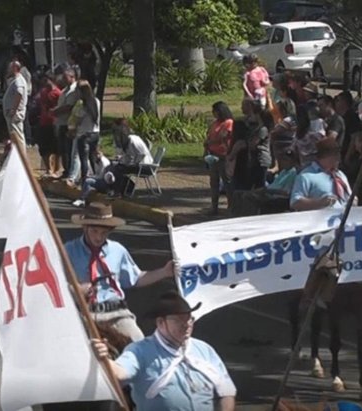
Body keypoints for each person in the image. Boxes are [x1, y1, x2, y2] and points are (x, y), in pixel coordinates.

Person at [91, 291, 237, 411]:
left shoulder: (204, 349)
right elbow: (119, 373)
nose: (186, 325)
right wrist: (104, 358)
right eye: (178, 320)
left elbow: (226, 391)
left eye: (189, 319)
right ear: (161, 323)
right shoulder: (140, 350)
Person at [65, 202, 176, 342]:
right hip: (84, 312)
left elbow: (136, 279)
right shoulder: (68, 250)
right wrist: (76, 289)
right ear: (84, 227)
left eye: (104, 233)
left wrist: (164, 272)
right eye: (94, 231)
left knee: (138, 341)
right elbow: (56, 283)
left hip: (115, 310)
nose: (99, 237)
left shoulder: (118, 250)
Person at [290, 138, 352, 211]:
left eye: (338, 153)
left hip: (345, 218)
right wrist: (320, 203)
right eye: (335, 154)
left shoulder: (340, 175)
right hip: (319, 220)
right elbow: (295, 202)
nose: (339, 158)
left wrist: (352, 200)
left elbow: (349, 196)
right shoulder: (306, 176)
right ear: (324, 156)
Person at [204, 102, 234, 215]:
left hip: (223, 155)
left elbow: (223, 136)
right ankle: (214, 206)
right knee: (214, 182)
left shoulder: (228, 123)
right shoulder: (215, 123)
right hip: (213, 154)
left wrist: (211, 141)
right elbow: (210, 135)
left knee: (227, 182)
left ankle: (231, 205)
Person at [109, 121, 153, 197]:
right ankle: (127, 188)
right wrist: (121, 159)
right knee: (115, 166)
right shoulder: (126, 141)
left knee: (119, 169)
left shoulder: (133, 140)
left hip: (146, 166)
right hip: (138, 165)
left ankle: (120, 191)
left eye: (117, 131)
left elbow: (142, 155)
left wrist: (131, 163)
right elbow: (129, 156)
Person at [3, 61, 28, 147]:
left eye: (10, 68)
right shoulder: (15, 80)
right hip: (13, 113)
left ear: (14, 68)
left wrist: (14, 109)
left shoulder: (18, 80)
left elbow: (19, 93)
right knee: (14, 136)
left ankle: (21, 157)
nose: (8, 70)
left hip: (15, 113)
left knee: (17, 136)